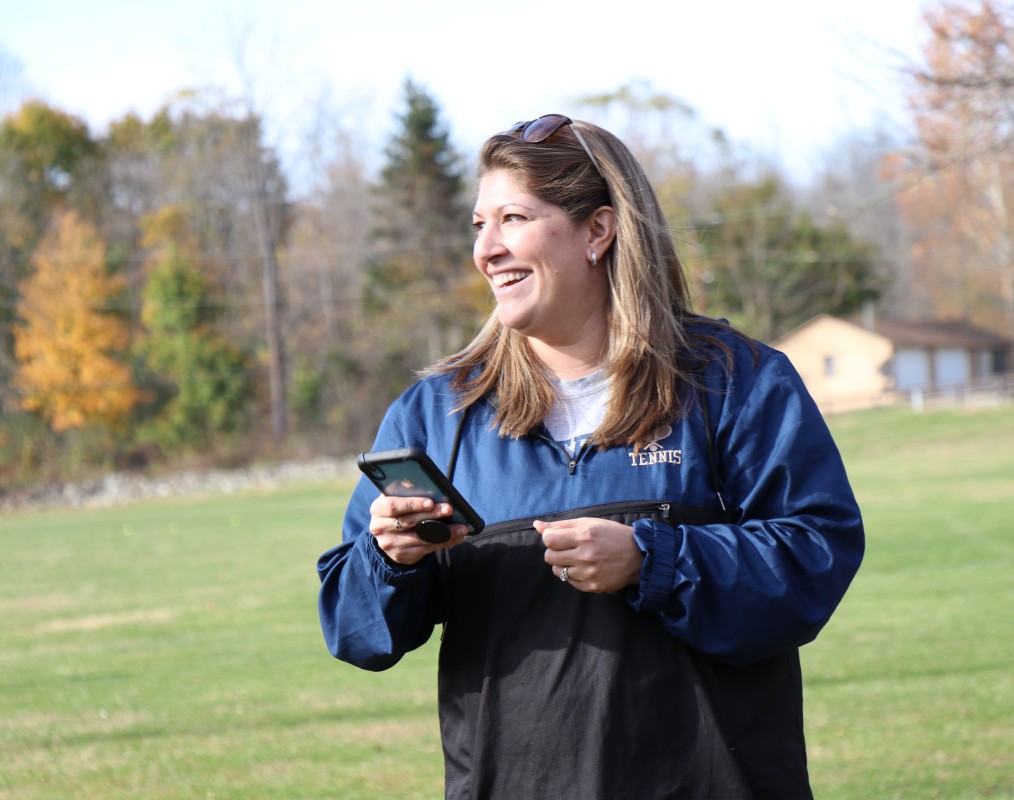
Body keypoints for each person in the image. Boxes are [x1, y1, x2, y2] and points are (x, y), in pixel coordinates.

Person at [317, 114, 865, 799]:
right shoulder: (435, 413)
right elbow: (354, 630)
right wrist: (391, 559)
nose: (487, 249)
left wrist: (652, 560)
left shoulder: (735, 381)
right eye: (478, 225)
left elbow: (815, 556)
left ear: (598, 231)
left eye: (513, 218)